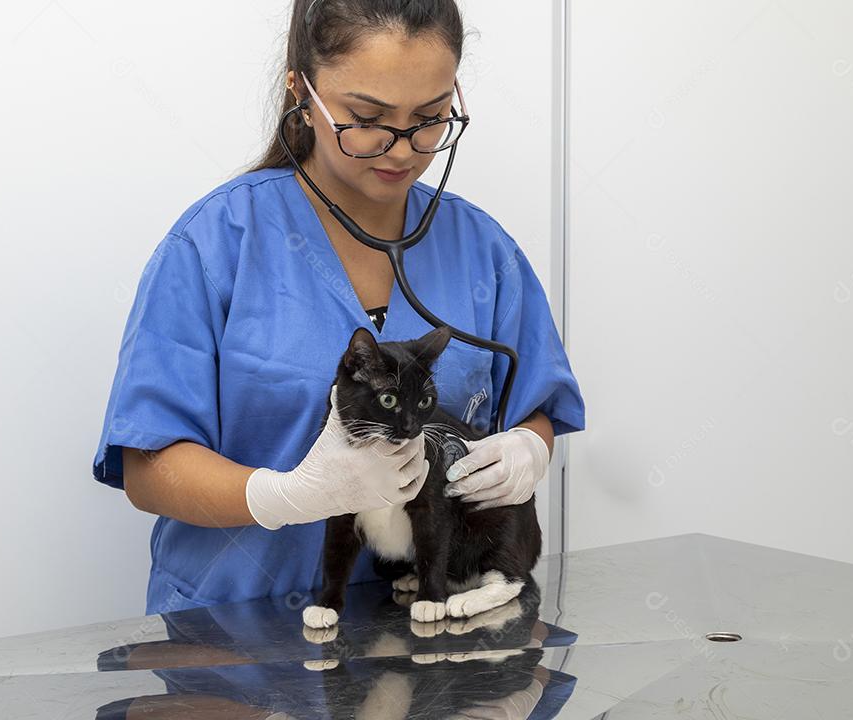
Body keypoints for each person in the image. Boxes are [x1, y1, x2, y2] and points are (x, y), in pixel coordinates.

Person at [92, 0, 587, 615]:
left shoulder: (483, 251)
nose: (402, 149)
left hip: (423, 649)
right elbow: (147, 466)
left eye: (430, 117)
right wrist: (284, 496)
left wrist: (528, 451)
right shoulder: (215, 244)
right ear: (302, 89)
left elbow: (535, 408)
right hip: (232, 637)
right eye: (366, 116)